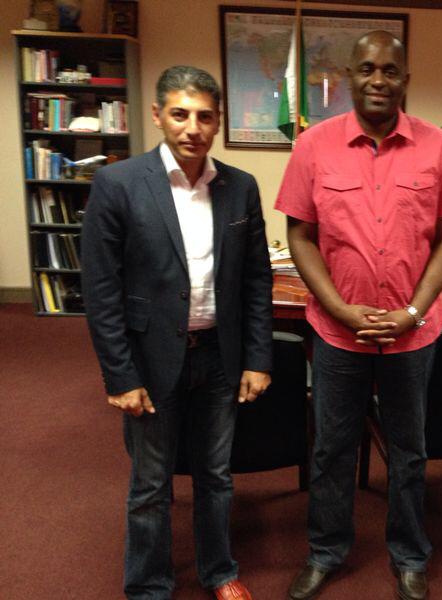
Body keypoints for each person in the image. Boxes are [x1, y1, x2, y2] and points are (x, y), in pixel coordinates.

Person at [275, 30, 442, 600]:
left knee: (410, 451)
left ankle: (410, 556)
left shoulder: (439, 148)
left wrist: (414, 311)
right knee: (331, 449)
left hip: (413, 336)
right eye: (367, 69)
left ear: (406, 79)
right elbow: (300, 234)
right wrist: (339, 309)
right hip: (337, 334)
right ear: (349, 77)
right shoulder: (314, 146)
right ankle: (326, 551)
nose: (378, 80)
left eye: (390, 70)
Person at [81, 65, 273, 600]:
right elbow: (101, 291)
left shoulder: (240, 187)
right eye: (181, 114)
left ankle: (219, 570)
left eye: (205, 116)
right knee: (150, 484)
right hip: (148, 359)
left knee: (216, 475)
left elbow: (256, 279)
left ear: (218, 122)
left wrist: (258, 359)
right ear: (159, 115)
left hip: (218, 356)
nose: (193, 127)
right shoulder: (118, 184)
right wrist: (119, 374)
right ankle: (148, 584)